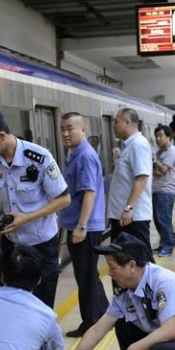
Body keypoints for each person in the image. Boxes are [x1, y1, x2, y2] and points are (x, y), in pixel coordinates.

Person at [0, 108, 71, 310]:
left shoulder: (39, 158)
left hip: (41, 246)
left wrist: (27, 218)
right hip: (10, 245)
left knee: (39, 308)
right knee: (2, 304)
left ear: (1, 136)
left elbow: (64, 199)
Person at [58, 112, 109, 338]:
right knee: (89, 275)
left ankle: (90, 323)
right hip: (83, 225)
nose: (66, 133)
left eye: (70, 128)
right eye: (62, 129)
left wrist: (81, 226)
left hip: (85, 227)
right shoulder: (77, 154)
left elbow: (90, 192)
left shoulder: (85, 156)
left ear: (83, 130)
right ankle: (105, 315)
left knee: (85, 277)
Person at [107, 108, 154, 254]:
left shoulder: (138, 144)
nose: (113, 125)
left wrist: (128, 208)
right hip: (124, 216)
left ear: (127, 122)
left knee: (139, 260)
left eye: (116, 122)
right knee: (121, 260)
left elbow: (141, 178)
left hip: (132, 218)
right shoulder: (129, 145)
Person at [151, 125, 175, 257]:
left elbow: (161, 170)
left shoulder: (172, 151)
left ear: (169, 137)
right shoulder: (160, 152)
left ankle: (168, 247)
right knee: (158, 219)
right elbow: (155, 171)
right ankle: (163, 244)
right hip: (157, 190)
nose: (158, 139)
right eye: (156, 136)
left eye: (161, 136)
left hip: (165, 191)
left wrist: (155, 161)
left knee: (164, 220)